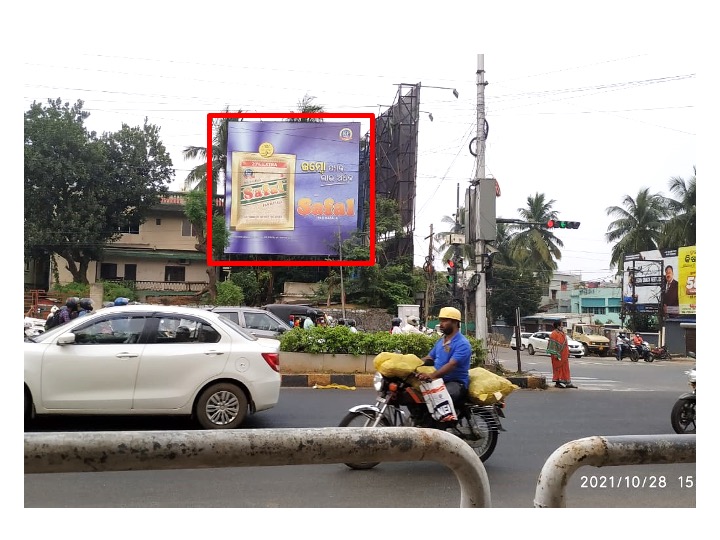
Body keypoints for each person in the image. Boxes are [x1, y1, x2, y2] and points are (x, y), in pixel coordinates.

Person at [416, 307, 470, 407]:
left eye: (445, 321)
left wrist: (432, 375)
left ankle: (445, 423)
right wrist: (413, 363)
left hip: (456, 383)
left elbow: (451, 365)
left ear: (455, 322)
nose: (441, 324)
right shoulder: (441, 342)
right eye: (441, 320)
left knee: (438, 398)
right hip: (439, 380)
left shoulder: (462, 343)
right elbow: (430, 358)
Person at [547, 321, 576, 388]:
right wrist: (556, 354)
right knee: (558, 369)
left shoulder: (562, 333)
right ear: (558, 326)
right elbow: (552, 345)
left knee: (565, 369)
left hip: (564, 355)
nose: (562, 326)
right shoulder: (554, 334)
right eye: (561, 325)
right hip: (557, 355)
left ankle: (567, 383)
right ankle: (557, 383)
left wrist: (567, 352)